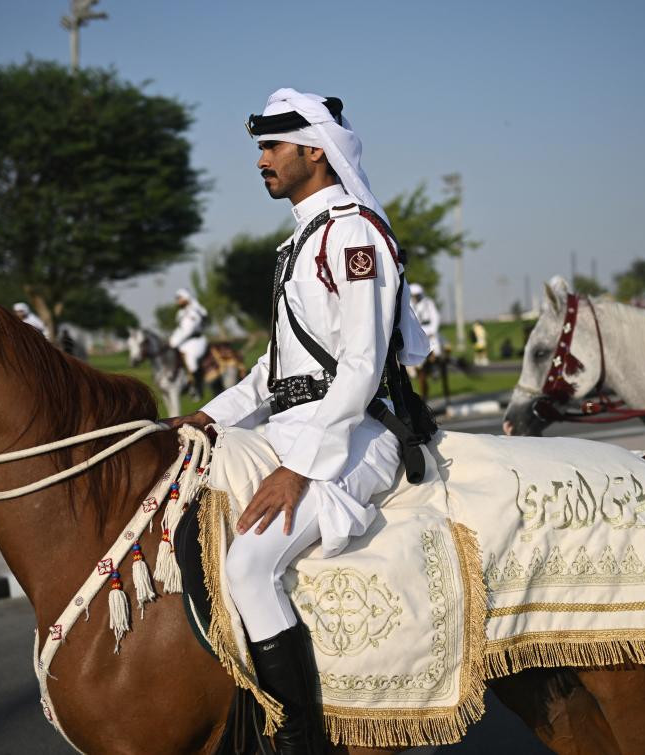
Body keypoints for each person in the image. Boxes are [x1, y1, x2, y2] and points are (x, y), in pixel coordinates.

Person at [168, 88, 429, 754]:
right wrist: (205, 415)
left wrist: (296, 468)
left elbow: (363, 365)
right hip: (294, 428)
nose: (261, 161)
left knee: (251, 566)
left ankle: (300, 742)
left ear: (315, 150)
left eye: (273, 147)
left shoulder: (350, 232)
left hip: (356, 434)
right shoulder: (303, 238)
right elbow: (273, 371)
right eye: (260, 148)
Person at [168, 288, 210, 400]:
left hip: (196, 341)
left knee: (191, 359)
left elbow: (188, 330)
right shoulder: (182, 312)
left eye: (179, 298)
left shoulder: (194, 311)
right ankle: (185, 384)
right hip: (184, 342)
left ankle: (198, 389)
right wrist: (171, 340)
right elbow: (180, 330)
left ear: (186, 298)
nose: (177, 301)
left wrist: (175, 342)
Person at [409, 283, 444, 398]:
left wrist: (432, 331)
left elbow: (435, 317)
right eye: (413, 295)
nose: (414, 297)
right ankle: (412, 369)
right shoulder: (409, 304)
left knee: (435, 347)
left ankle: (434, 368)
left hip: (429, 329)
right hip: (418, 331)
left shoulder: (428, 303)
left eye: (416, 295)